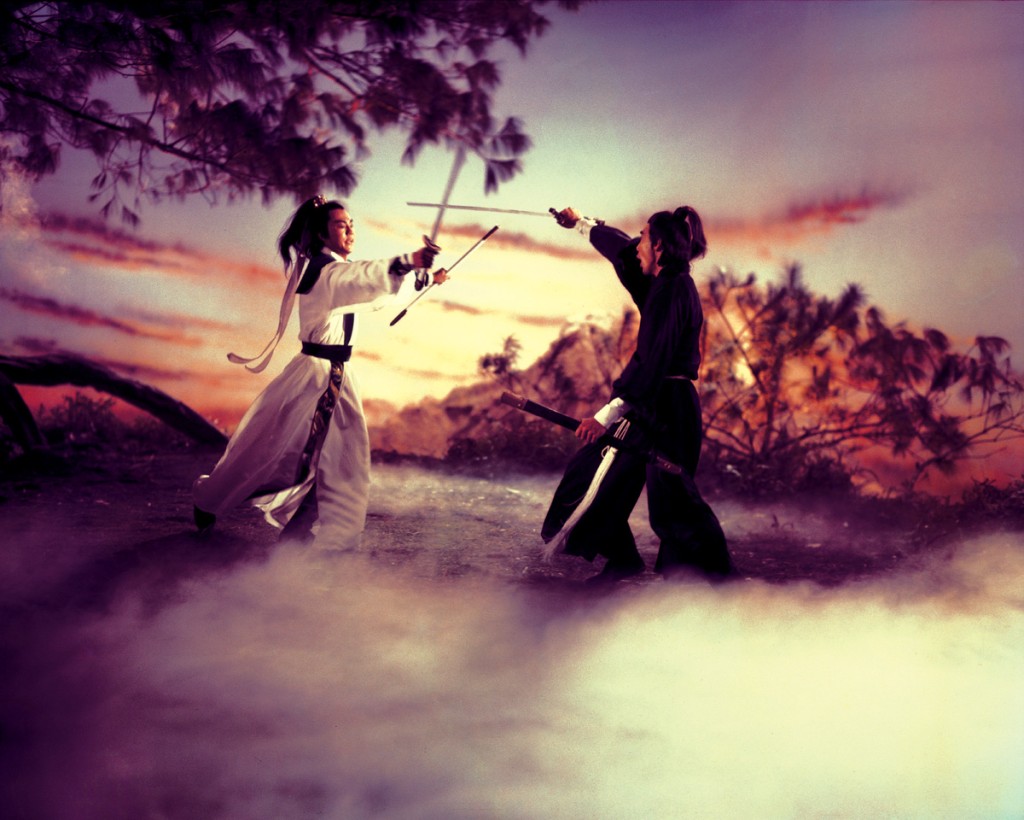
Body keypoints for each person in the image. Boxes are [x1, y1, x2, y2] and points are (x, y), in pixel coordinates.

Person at [193, 196, 446, 548]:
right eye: (341, 225)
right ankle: (210, 500)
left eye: (351, 224)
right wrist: (408, 261)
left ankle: (313, 534)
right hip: (316, 378)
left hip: (336, 375)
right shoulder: (326, 272)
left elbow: (372, 293)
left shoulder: (336, 272)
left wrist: (425, 276)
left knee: (340, 457)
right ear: (322, 234)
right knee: (269, 452)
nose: (350, 231)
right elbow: (363, 278)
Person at [540, 205, 733, 583]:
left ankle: (717, 582)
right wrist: (582, 225)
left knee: (673, 500)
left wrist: (606, 415)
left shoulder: (672, 292)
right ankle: (624, 559)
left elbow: (652, 359)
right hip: (653, 400)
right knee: (595, 473)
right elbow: (623, 251)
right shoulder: (660, 281)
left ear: (658, 247)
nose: (636, 245)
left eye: (643, 238)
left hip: (667, 407)